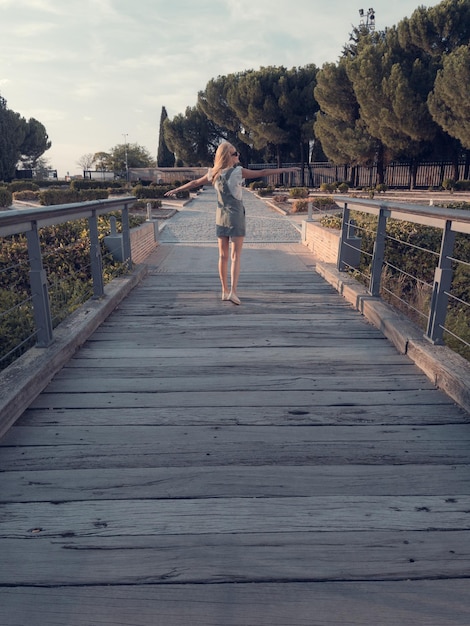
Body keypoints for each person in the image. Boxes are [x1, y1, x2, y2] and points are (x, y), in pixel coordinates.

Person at [165, 142, 300, 305]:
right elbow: (263, 172)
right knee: (235, 256)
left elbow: (194, 183)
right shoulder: (238, 172)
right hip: (236, 216)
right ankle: (233, 293)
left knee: (222, 256)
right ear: (228, 156)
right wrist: (285, 169)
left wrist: (176, 189)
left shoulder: (213, 173)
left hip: (220, 216)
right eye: (235, 153)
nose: (238, 155)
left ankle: (224, 290)